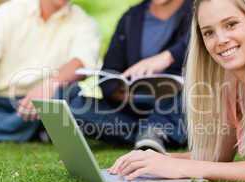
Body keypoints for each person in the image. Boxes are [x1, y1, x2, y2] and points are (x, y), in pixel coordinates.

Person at [108, 0, 245, 182]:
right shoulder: (231, 81)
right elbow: (217, 158)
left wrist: (178, 168)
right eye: (208, 32)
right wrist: (153, 160)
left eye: (231, 24)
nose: (220, 40)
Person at [69, 0, 192, 153]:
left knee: (192, 92)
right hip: (134, 105)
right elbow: (109, 72)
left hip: (177, 105)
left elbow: (204, 41)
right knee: (74, 106)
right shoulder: (132, 17)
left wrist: (169, 56)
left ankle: (156, 130)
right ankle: (155, 133)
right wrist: (118, 91)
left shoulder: (199, 9)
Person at [0, 0, 100, 142]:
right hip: (0, 101)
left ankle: (25, 130)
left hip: (46, 102)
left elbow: (81, 62)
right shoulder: (8, 12)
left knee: (69, 94)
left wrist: (51, 84)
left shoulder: (84, 22)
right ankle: (33, 131)